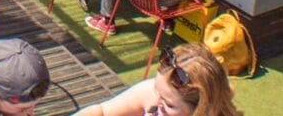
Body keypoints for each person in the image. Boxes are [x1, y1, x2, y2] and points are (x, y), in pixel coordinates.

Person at [73, 44, 243, 116]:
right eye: (158, 91)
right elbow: (102, 112)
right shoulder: (158, 95)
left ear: (201, 110)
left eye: (169, 105)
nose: (157, 103)